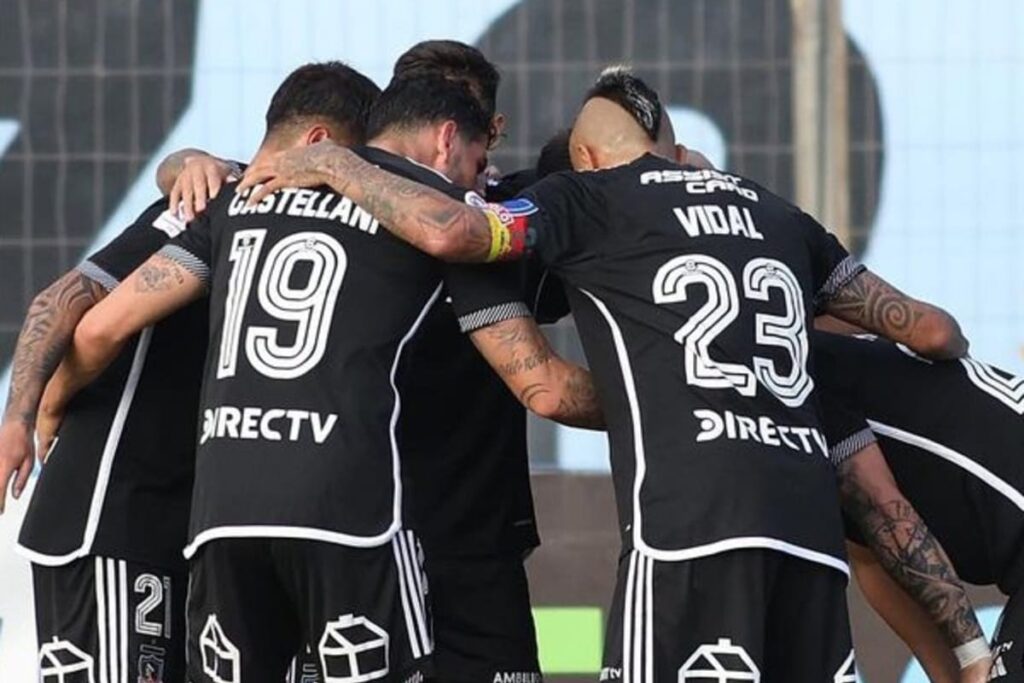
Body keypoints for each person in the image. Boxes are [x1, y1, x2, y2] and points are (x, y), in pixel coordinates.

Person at [238, 67, 970, 682]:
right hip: (807, 538)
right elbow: (932, 330)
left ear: (586, 157)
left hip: (689, 532)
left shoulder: (589, 199)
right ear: (673, 147)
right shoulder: (777, 214)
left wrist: (332, 163)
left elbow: (455, 232)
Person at [43, 74, 601, 683]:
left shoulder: (245, 195)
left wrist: (47, 406)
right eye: (476, 162)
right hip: (349, 519)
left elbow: (99, 329)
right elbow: (541, 384)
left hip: (224, 519)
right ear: (447, 142)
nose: (479, 180)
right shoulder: (440, 217)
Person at [0, 61, 381, 683]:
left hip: (192, 527)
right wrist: (28, 412)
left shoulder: (266, 210)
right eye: (354, 166)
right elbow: (64, 302)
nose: (359, 186)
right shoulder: (207, 201)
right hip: (114, 516)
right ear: (320, 146)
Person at [814, 329, 1024, 682]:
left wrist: (971, 655)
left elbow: (938, 334)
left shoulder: (796, 378)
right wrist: (954, 674)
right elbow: (874, 558)